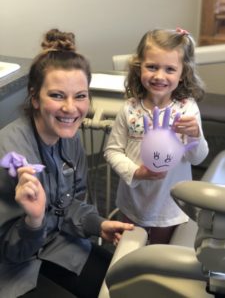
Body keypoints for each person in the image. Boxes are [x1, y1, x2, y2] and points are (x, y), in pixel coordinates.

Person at [0, 28, 134, 298]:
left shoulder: (68, 136)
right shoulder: (10, 155)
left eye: (80, 96)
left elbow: (70, 203)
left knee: (124, 285)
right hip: (13, 264)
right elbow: (12, 251)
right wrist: (35, 219)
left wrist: (98, 224)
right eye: (57, 95)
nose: (71, 108)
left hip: (58, 243)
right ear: (35, 97)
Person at [104, 28, 209, 244]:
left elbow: (197, 158)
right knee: (129, 254)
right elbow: (112, 150)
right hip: (133, 203)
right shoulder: (130, 109)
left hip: (169, 206)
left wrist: (195, 137)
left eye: (170, 69)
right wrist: (136, 172)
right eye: (152, 67)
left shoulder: (187, 109)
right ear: (139, 66)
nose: (159, 76)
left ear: (182, 74)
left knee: (160, 257)